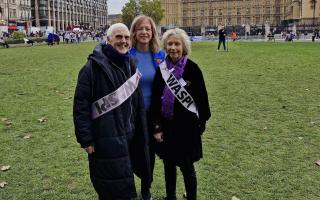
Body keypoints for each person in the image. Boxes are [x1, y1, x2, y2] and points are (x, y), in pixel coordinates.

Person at [73, 23, 151, 200]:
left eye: (126, 38)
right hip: (106, 137)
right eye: (118, 37)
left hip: (131, 135)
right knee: (111, 187)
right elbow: (80, 106)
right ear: (108, 40)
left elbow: (136, 102)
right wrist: (86, 139)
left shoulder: (131, 64)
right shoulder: (91, 68)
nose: (123, 41)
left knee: (126, 176)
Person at [150, 28, 211, 200]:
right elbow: (155, 102)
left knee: (187, 168)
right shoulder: (161, 70)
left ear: (184, 47)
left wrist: (201, 124)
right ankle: (171, 197)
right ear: (165, 46)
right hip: (166, 127)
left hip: (187, 129)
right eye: (170, 44)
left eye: (177, 44)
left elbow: (202, 100)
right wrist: (156, 127)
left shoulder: (193, 69)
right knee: (169, 166)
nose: (173, 47)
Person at [129, 15, 165, 200]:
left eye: (148, 29)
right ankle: (129, 187)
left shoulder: (160, 56)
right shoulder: (127, 55)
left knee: (148, 155)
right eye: (140, 28)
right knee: (132, 151)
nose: (144, 32)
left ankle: (146, 190)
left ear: (153, 33)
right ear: (134, 32)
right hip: (132, 114)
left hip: (153, 115)